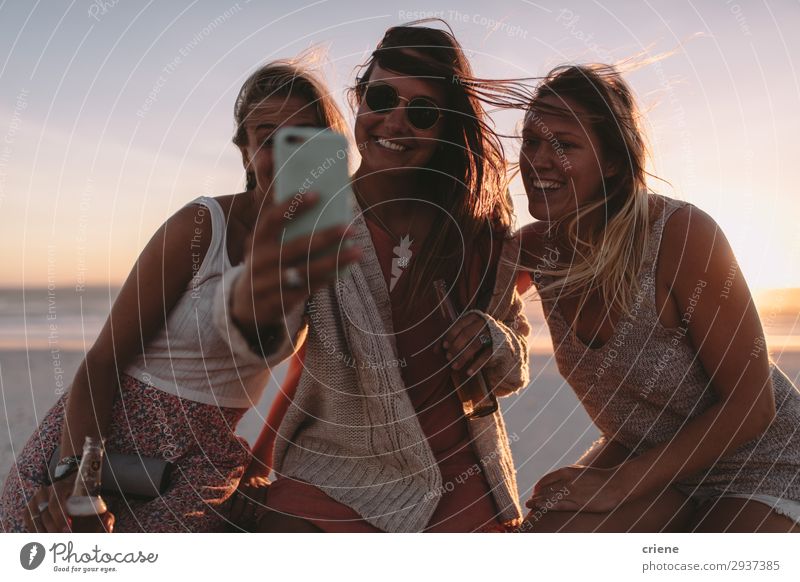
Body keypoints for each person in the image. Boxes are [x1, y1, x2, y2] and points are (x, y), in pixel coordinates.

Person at [0, 59, 359, 532]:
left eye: (302, 137)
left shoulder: (322, 251)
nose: (284, 153)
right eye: (266, 136)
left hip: (203, 462)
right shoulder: (201, 229)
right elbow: (102, 361)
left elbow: (306, 363)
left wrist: (261, 457)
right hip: (93, 439)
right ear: (245, 150)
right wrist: (74, 478)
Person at [220, 22, 531, 533]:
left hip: (456, 477)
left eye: (423, 111)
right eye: (382, 97)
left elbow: (513, 360)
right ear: (359, 100)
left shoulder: (478, 230)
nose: (396, 122)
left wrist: (493, 340)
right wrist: (258, 458)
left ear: (447, 125)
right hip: (334, 472)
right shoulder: (313, 212)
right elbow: (293, 349)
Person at [515, 64, 800, 532]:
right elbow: (463, 301)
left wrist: (617, 484)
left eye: (563, 144)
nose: (538, 160)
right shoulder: (533, 251)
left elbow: (754, 404)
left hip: (764, 463)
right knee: (545, 540)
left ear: (611, 161)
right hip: (648, 456)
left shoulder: (681, 235)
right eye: (531, 141)